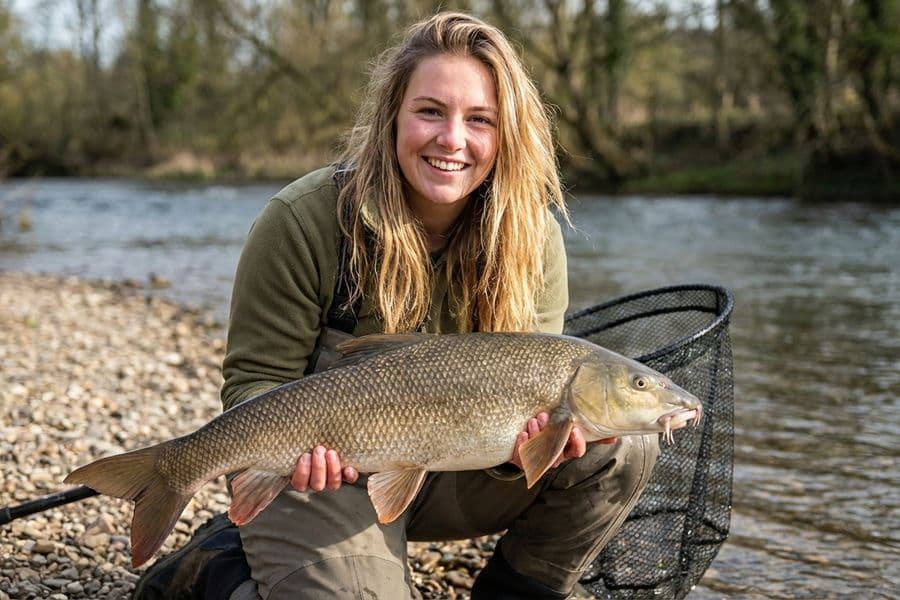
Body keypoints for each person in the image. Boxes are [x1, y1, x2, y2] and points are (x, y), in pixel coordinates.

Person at [135, 11, 659, 600]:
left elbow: (529, 416)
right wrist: (294, 454)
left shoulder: (534, 237)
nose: (452, 139)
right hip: (327, 478)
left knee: (626, 446)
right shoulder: (302, 218)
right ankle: (218, 571)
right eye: (431, 111)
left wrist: (528, 452)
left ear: (506, 134)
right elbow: (255, 382)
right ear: (393, 117)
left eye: (479, 120)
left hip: (462, 465)